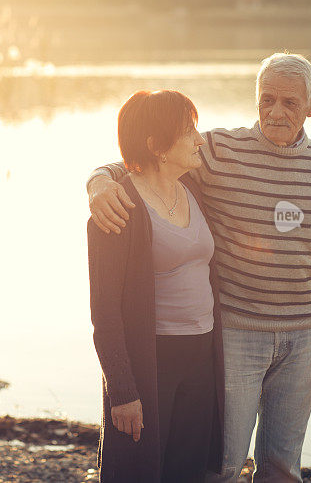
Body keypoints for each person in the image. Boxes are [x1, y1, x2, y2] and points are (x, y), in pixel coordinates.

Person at [87, 53, 311, 482]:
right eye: (266, 99)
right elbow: (143, 157)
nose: (274, 112)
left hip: (305, 336)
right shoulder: (215, 151)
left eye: (290, 103)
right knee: (220, 466)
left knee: (283, 466)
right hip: (234, 334)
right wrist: (98, 181)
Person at [88, 90, 225, 482]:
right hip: (152, 361)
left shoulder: (194, 189)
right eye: (188, 131)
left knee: (188, 471)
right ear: (157, 146)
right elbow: (105, 313)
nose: (200, 139)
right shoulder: (118, 208)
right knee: (138, 472)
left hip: (202, 356)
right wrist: (123, 391)